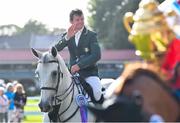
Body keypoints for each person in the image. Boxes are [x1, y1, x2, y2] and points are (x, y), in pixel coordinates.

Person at [55, 9, 104, 104]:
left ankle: (100, 116)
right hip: (72, 75)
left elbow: (96, 55)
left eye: (82, 19)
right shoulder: (67, 35)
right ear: (71, 22)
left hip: (90, 73)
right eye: (77, 20)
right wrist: (67, 38)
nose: (81, 22)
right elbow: (55, 50)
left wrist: (79, 65)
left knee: (97, 93)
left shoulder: (91, 35)